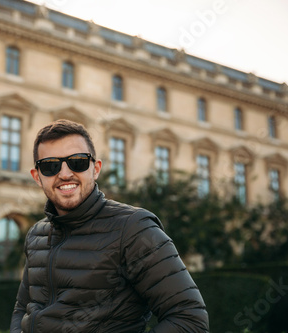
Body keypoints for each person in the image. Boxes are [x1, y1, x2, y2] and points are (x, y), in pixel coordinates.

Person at [10, 119, 209, 332]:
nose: (65, 174)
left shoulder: (134, 228)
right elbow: (22, 309)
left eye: (78, 162)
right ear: (37, 177)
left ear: (95, 169)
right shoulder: (36, 235)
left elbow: (189, 319)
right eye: (50, 166)